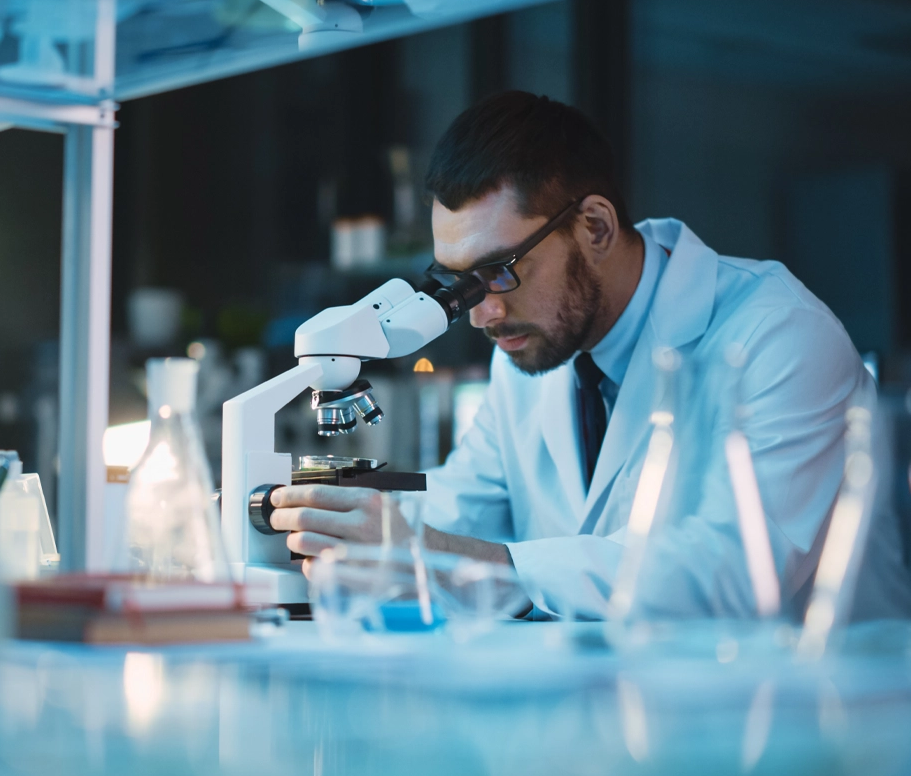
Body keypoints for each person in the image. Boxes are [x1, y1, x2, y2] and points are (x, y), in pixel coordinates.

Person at [269, 91, 907, 620]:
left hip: (808, 727)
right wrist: (327, 524)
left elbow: (734, 573)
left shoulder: (779, 334)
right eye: (457, 281)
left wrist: (439, 556)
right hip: (622, 726)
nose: (484, 314)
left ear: (595, 226)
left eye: (498, 271)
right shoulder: (527, 347)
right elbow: (459, 513)